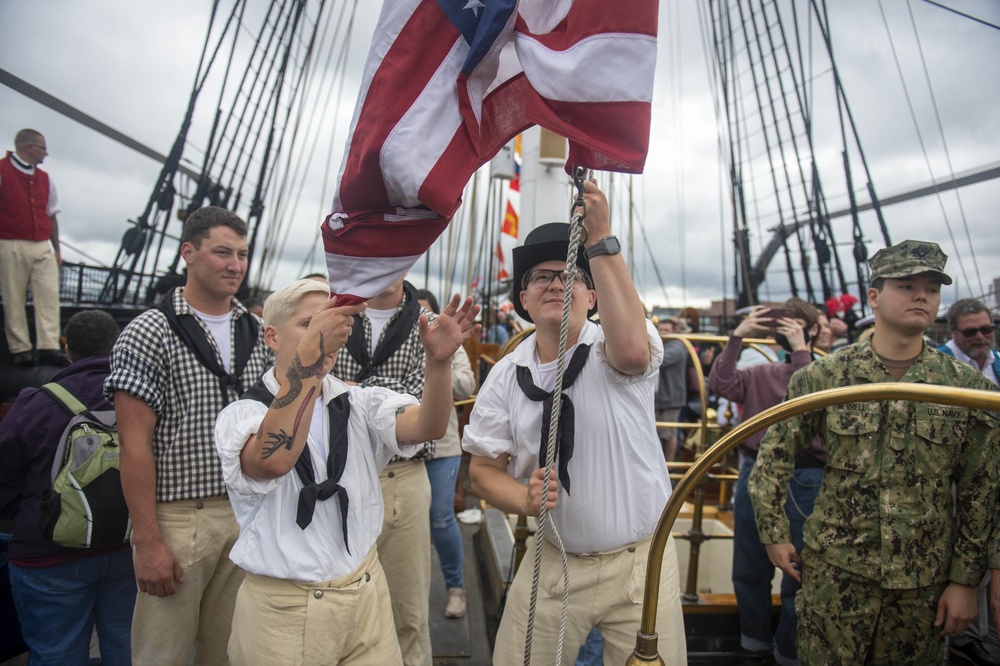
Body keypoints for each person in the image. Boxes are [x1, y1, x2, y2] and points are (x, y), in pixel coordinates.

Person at [464, 181, 686, 666]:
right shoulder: (506, 375)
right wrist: (521, 498)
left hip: (639, 563)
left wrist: (600, 239)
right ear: (523, 299)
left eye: (572, 275)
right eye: (541, 277)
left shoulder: (617, 345)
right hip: (553, 560)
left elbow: (631, 355)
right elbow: (482, 471)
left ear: (593, 295)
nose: (557, 284)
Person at [748, 240, 1000, 665]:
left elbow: (982, 491)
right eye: (907, 285)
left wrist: (964, 581)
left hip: (923, 584)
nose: (922, 296)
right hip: (836, 573)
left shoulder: (969, 390)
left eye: (932, 288)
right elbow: (774, 457)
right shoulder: (825, 377)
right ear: (874, 296)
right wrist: (773, 533)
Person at [214, 279, 479, 664]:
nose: (330, 336)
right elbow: (274, 460)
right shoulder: (243, 415)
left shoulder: (358, 401)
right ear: (271, 336)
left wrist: (437, 365)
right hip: (284, 611)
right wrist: (309, 361)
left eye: (335, 324)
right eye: (311, 324)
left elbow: (427, 427)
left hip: (365, 595)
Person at [105, 206, 272, 665]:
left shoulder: (257, 332)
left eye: (241, 254)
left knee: (233, 650)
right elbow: (133, 443)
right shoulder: (149, 332)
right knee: (163, 654)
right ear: (188, 253)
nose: (235, 265)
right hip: (180, 518)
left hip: (247, 515)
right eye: (222, 252)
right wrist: (147, 540)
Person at [0, 310, 133, 664]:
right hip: (128, 546)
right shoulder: (139, 399)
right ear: (117, 345)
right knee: (127, 642)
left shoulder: (34, 403)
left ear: (68, 349)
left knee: (56, 650)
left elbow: (5, 479)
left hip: (49, 552)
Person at [708, 299, 823, 665]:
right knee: (749, 564)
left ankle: (788, 651)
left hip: (805, 475)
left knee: (800, 569)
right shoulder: (762, 374)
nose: (785, 331)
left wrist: (803, 350)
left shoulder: (828, 373)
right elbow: (721, 382)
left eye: (795, 325)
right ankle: (755, 643)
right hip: (756, 470)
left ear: (814, 329)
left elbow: (811, 402)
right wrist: (737, 337)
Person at [331, 277, 435, 666]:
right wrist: (389, 394)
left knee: (409, 610)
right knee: (340, 604)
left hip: (401, 478)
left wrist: (350, 388)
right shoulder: (333, 313)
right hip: (337, 480)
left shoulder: (429, 323)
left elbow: (425, 400)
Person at [936, 298, 1000, 666]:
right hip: (956, 479)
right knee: (958, 556)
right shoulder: (937, 368)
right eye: (971, 331)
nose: (980, 337)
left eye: (987, 329)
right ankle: (957, 638)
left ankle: (978, 633)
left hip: (994, 476)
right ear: (952, 332)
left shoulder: (999, 365)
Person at [415, 288, 478, 619]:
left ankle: (456, 587)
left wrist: (437, 362)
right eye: (415, 315)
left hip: (441, 447)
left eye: (428, 315)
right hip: (402, 449)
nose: (421, 321)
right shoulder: (394, 347)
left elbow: (466, 385)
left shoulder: (451, 347)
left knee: (440, 517)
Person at [0, 129, 67, 367]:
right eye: (42, 148)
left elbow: (51, 215)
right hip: (9, 240)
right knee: (13, 296)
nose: (46, 154)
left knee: (48, 294)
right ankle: (21, 349)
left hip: (40, 243)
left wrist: (56, 250)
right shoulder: (2, 170)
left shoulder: (45, 179)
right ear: (29, 147)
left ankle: (48, 345)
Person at [654, 317, 687, 461]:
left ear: (675, 331)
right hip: (662, 398)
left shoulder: (677, 347)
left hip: (670, 398)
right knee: (660, 433)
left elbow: (659, 360)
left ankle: (670, 465)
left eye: (666, 330)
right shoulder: (664, 344)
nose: (662, 333)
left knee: (667, 434)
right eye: (660, 330)